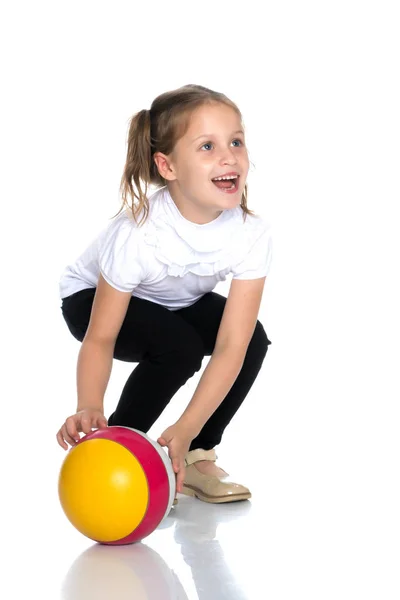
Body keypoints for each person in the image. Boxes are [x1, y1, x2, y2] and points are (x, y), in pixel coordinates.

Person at [57, 83, 273, 504]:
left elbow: (232, 345)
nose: (229, 156)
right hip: (90, 300)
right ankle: (118, 449)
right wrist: (88, 404)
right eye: (207, 146)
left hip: (174, 303)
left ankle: (193, 455)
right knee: (180, 347)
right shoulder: (139, 233)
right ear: (167, 166)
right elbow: (100, 338)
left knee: (253, 340)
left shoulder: (251, 234)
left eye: (236, 141)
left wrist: (187, 426)